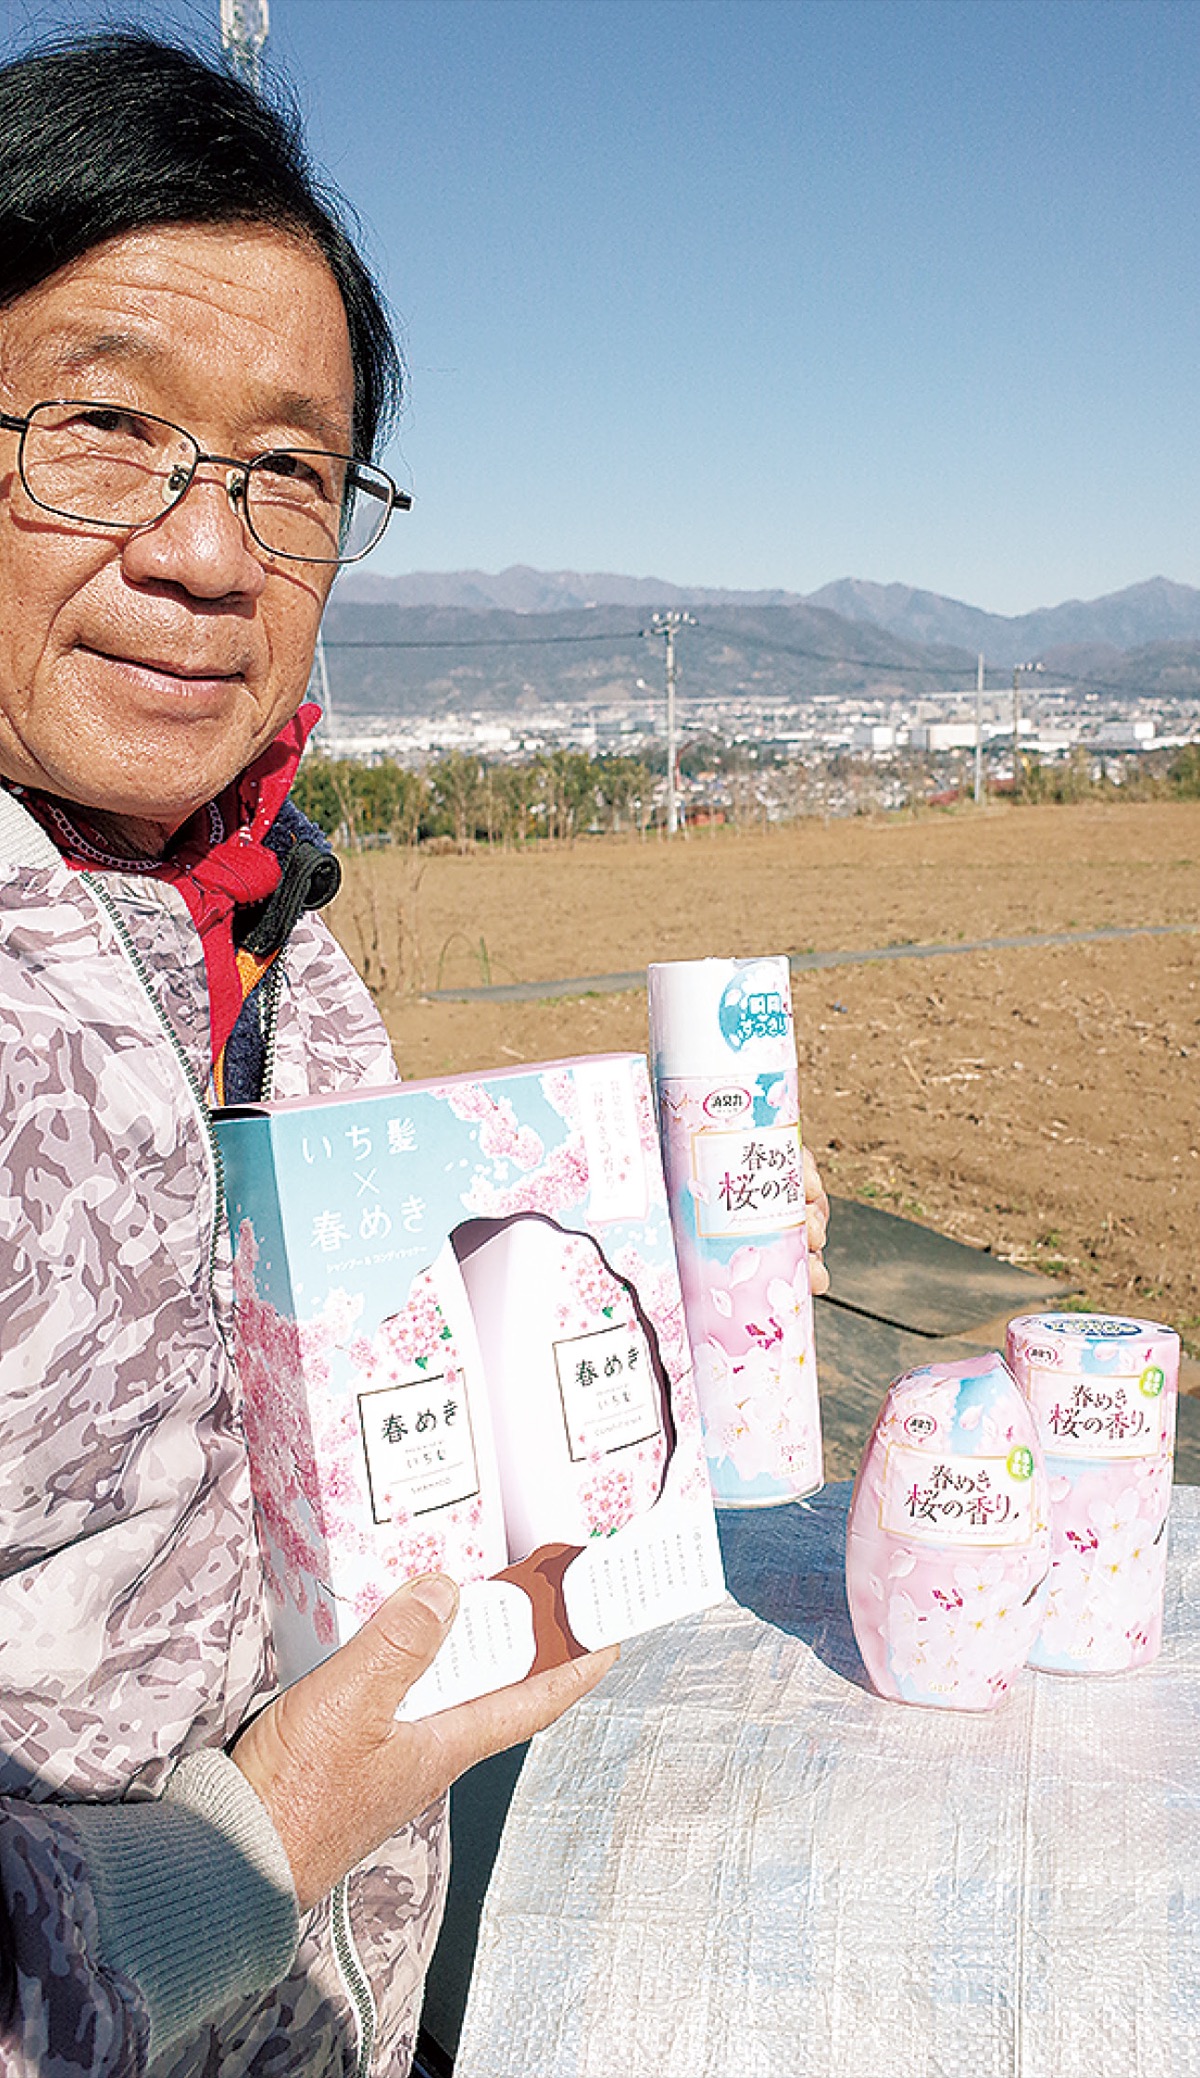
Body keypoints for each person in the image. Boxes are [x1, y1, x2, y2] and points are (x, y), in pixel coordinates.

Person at [0, 30, 830, 2078]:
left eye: (288, 471)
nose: (208, 554)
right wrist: (250, 1850)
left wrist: (642, 1290)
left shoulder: (264, 929)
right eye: (104, 425)